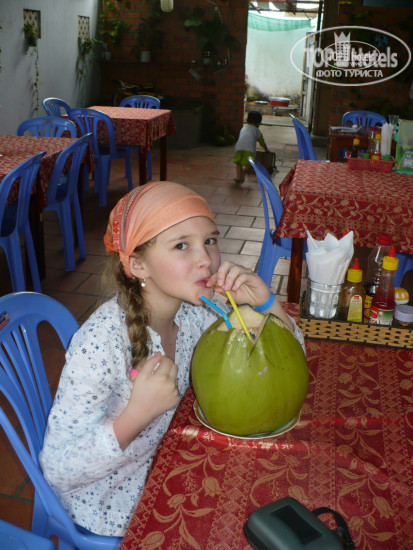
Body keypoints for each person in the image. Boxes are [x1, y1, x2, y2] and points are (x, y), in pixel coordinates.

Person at [40, 181, 304, 537]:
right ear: (138, 264)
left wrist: (265, 302)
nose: (206, 259)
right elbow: (58, 470)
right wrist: (135, 416)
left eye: (210, 240)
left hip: (172, 452)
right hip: (112, 495)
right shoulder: (101, 343)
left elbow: (287, 363)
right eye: (182, 245)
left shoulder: (201, 311)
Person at [233, 110, 269, 184]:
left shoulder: (243, 128)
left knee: (238, 162)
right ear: (258, 123)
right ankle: (243, 173)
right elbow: (262, 142)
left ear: (247, 120)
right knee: (250, 164)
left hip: (238, 148)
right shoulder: (257, 131)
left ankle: (238, 177)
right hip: (249, 149)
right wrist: (266, 150)